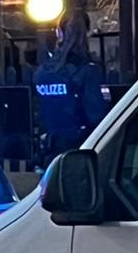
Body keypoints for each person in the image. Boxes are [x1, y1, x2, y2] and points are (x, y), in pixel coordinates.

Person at [33, 17, 108, 161]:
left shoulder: (43, 71)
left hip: (47, 148)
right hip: (80, 149)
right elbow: (97, 114)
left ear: (59, 34)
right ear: (86, 34)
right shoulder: (89, 71)